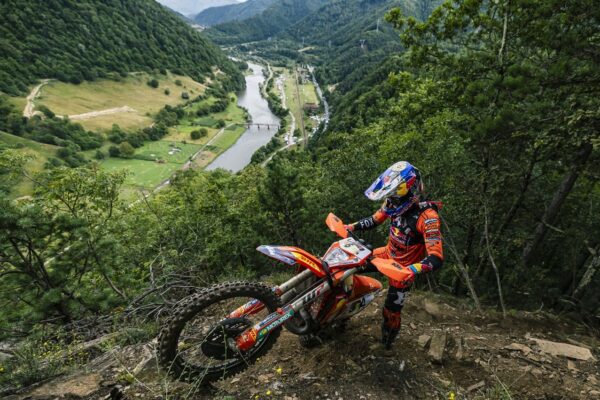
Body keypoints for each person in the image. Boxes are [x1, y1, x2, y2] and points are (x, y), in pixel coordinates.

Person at [345, 161, 444, 349]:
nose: (391, 200)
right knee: (347, 264)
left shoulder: (428, 217)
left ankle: (386, 345)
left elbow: (436, 257)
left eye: (396, 194)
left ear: (411, 190)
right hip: (386, 254)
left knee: (391, 312)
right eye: (391, 195)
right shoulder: (392, 202)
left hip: (402, 269)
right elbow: (375, 220)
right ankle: (340, 309)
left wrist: (411, 270)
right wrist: (351, 226)